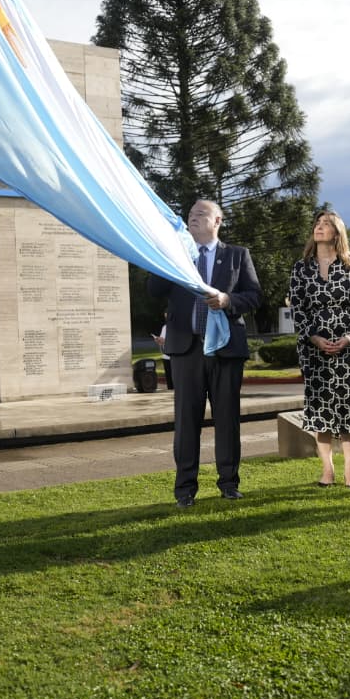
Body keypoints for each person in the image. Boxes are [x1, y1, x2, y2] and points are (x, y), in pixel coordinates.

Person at [148, 200, 261, 507]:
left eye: (201, 214)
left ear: (218, 221)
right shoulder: (175, 255)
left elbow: (254, 295)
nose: (193, 218)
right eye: (190, 214)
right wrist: (167, 254)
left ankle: (228, 482)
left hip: (225, 349)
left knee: (227, 418)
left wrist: (227, 299)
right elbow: (154, 290)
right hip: (187, 349)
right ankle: (185, 489)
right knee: (186, 422)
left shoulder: (237, 255)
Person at [290, 210, 350, 488]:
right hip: (314, 349)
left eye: (326, 224)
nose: (319, 228)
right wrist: (313, 337)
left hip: (349, 350)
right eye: (317, 224)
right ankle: (327, 470)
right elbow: (299, 310)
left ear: (337, 232)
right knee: (321, 410)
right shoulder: (301, 268)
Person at [152, 316, 173, 390]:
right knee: (169, 379)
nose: (167, 318)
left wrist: (165, 341)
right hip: (166, 356)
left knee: (176, 378)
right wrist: (158, 340)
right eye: (166, 316)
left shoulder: (179, 327)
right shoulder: (164, 327)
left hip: (175, 357)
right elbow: (161, 342)